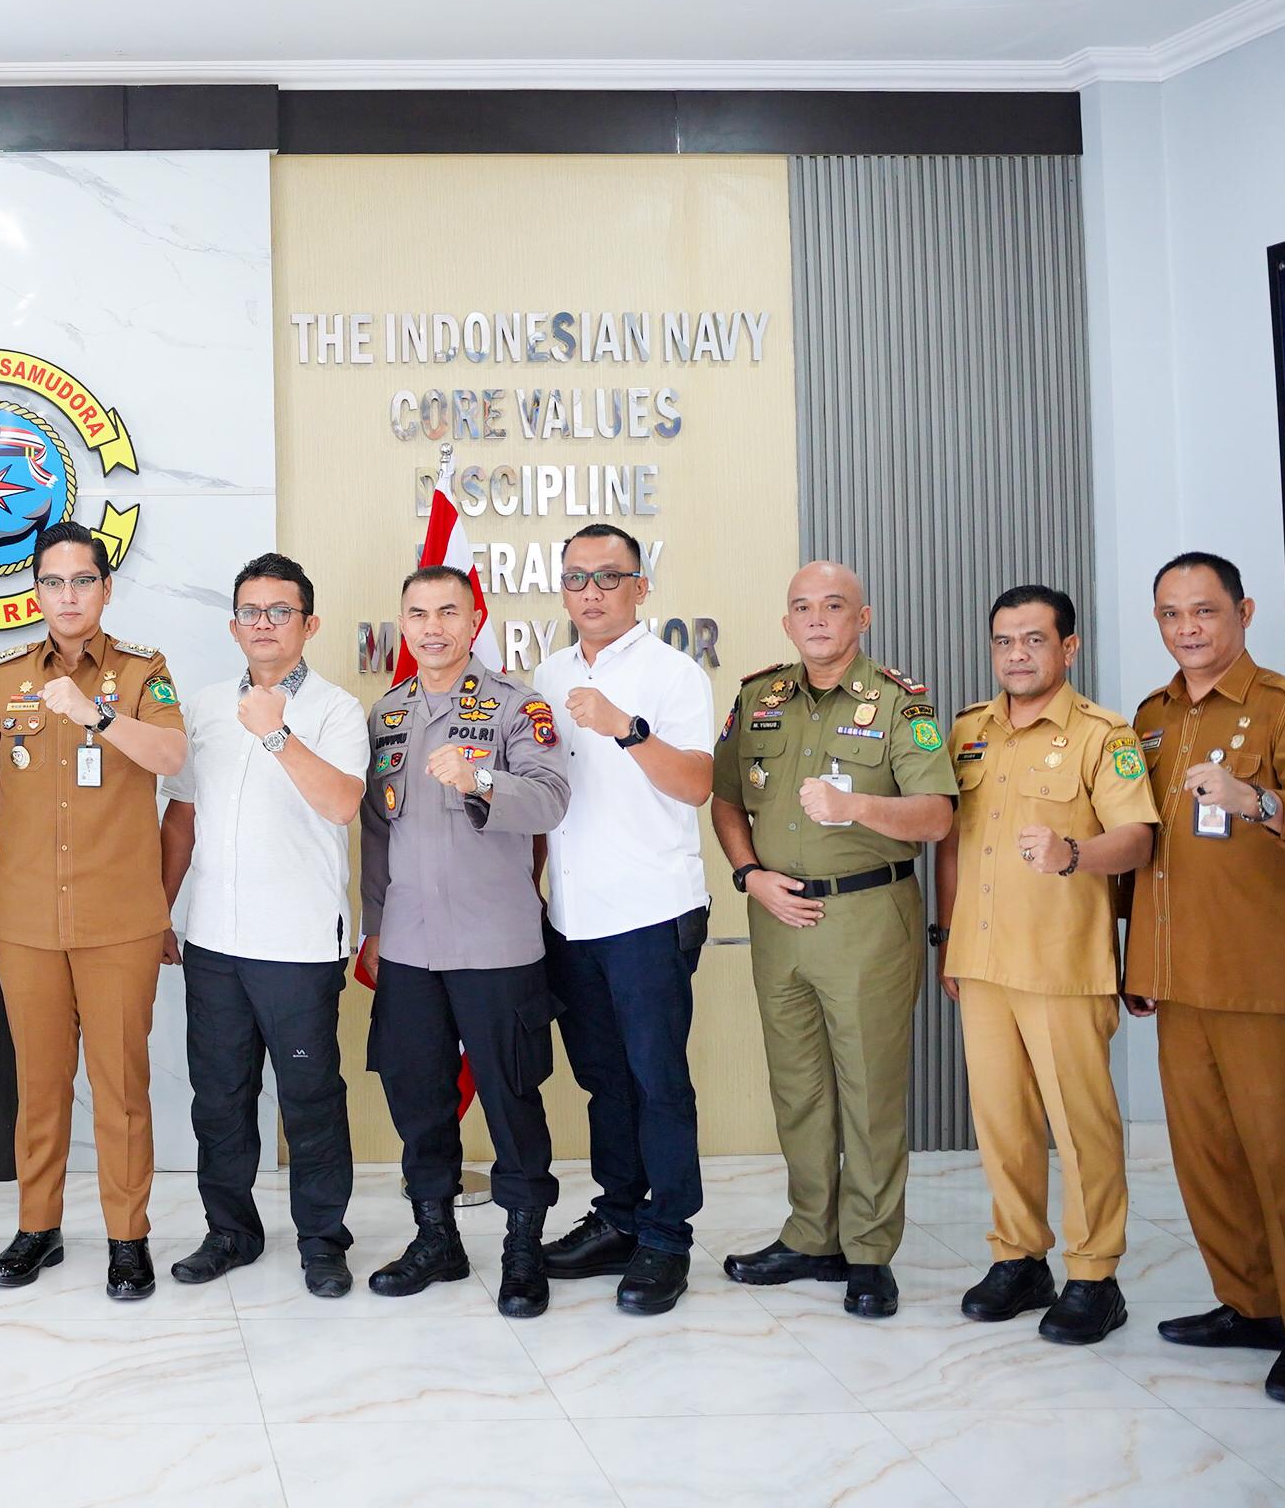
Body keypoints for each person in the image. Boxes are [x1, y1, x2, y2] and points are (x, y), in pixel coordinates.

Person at [1131, 552, 1285, 1405]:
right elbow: (1146, 847)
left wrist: (1252, 796)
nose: (1187, 629)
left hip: (1266, 981)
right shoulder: (1152, 716)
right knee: (1210, 1161)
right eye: (1171, 615)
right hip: (1181, 978)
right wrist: (1139, 964)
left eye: (1204, 612)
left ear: (1243, 611)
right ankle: (1253, 1306)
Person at [711, 561, 955, 1319]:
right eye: (802, 608)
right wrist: (749, 874)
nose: (817, 619)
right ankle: (811, 1233)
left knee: (870, 1090)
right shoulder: (759, 698)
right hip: (776, 917)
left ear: (863, 618)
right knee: (799, 1088)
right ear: (787, 622)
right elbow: (724, 800)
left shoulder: (898, 705)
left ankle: (871, 1250)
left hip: (865, 920)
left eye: (834, 606)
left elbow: (937, 815)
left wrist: (856, 809)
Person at [0, 522, 189, 1302]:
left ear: (105, 589)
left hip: (120, 917)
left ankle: (129, 1238)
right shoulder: (2, 679)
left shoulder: (142, 673)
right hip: (22, 916)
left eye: (81, 581)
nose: (67, 596)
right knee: (40, 1082)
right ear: (36, 590)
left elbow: (170, 759)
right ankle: (38, 1227)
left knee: (121, 1086)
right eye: (53, 582)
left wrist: (95, 714)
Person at [935, 583, 1156, 1345]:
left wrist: (1074, 855)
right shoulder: (968, 731)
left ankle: (1094, 1275)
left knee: (1082, 1126)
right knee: (1003, 1125)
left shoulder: (1105, 735)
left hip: (1063, 964)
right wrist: (947, 937)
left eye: (1033, 640)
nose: (1016, 655)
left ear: (1068, 648)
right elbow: (954, 843)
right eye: (1004, 641)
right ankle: (1019, 1259)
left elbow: (1138, 839)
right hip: (983, 960)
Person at [359, 564, 572, 1314]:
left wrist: (481, 780)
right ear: (404, 624)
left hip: (495, 946)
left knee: (513, 1100)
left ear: (474, 619)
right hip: (411, 946)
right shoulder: (387, 713)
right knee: (417, 1097)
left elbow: (551, 801)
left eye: (448, 612)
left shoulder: (518, 706)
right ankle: (436, 1238)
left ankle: (522, 1247)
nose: (432, 627)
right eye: (417, 614)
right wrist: (375, 928)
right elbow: (377, 835)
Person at [157, 552, 366, 1299]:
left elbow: (343, 803)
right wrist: (162, 908)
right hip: (214, 940)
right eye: (252, 611)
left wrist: (279, 734)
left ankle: (321, 1240)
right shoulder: (206, 706)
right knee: (219, 1095)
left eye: (281, 612)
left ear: (309, 624)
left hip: (299, 942)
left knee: (310, 1096)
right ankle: (230, 1232)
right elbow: (180, 818)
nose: (265, 624)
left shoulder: (336, 709)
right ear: (234, 624)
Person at [531, 525, 717, 1315]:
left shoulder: (674, 675)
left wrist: (626, 728)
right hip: (571, 916)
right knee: (603, 1081)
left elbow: (698, 784)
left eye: (609, 577)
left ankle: (667, 1236)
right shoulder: (546, 672)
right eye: (577, 578)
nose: (592, 592)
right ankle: (618, 1214)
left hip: (648, 911)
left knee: (657, 1081)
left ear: (641, 588)